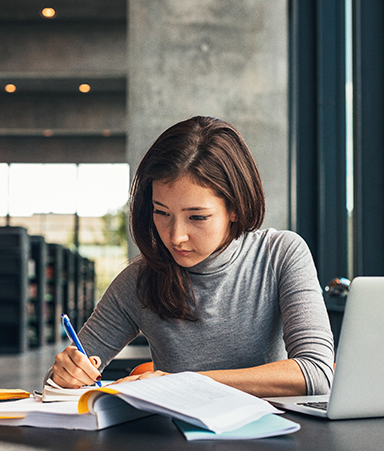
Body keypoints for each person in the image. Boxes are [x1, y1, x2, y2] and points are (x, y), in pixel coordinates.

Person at [48, 116, 334, 398]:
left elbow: (316, 373)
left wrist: (183, 383)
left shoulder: (280, 254)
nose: (175, 237)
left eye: (197, 217)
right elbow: (56, 385)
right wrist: (65, 375)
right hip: (178, 441)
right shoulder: (138, 280)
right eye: (161, 213)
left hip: (273, 438)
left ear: (235, 208)